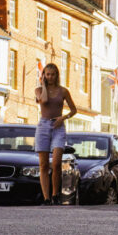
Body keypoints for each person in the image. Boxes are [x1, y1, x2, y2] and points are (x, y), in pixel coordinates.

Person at [35, 63, 78, 205]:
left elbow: (73, 110)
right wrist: (43, 85)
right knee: (43, 164)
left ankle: (55, 194)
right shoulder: (39, 90)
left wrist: (62, 118)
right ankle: (46, 198)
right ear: (44, 76)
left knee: (57, 162)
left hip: (58, 126)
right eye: (47, 74)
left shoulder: (63, 91)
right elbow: (45, 100)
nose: (50, 77)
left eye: (53, 74)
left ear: (57, 75)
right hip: (43, 126)